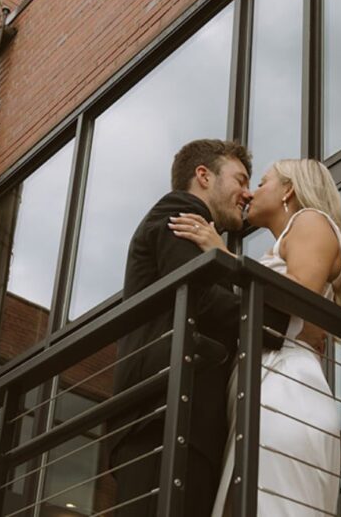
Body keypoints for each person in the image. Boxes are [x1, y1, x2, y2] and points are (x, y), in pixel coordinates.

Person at [109, 139, 290, 516]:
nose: (246, 193)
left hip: (180, 417)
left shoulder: (205, 234)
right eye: (240, 179)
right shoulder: (182, 210)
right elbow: (201, 299)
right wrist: (270, 323)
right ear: (203, 176)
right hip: (164, 416)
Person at [170, 158, 341, 516]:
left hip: (285, 389)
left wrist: (222, 255)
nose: (251, 192)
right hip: (259, 387)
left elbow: (298, 294)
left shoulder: (310, 221)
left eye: (262, 182)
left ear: (288, 189)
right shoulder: (282, 245)